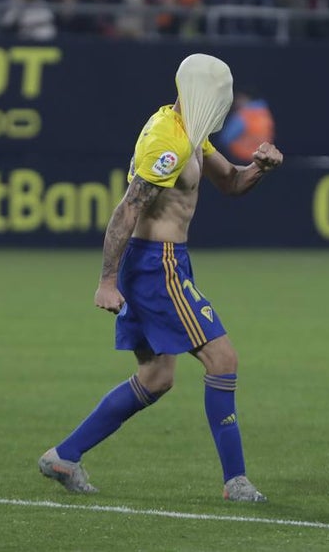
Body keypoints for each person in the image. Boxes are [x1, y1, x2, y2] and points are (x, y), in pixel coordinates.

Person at [38, 53, 283, 502]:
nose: (226, 105)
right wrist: (106, 281)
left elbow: (229, 182)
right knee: (223, 359)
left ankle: (64, 456)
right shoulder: (166, 139)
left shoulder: (192, 131)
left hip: (161, 262)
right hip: (158, 266)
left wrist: (259, 169)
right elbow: (128, 207)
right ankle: (236, 482)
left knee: (156, 377)